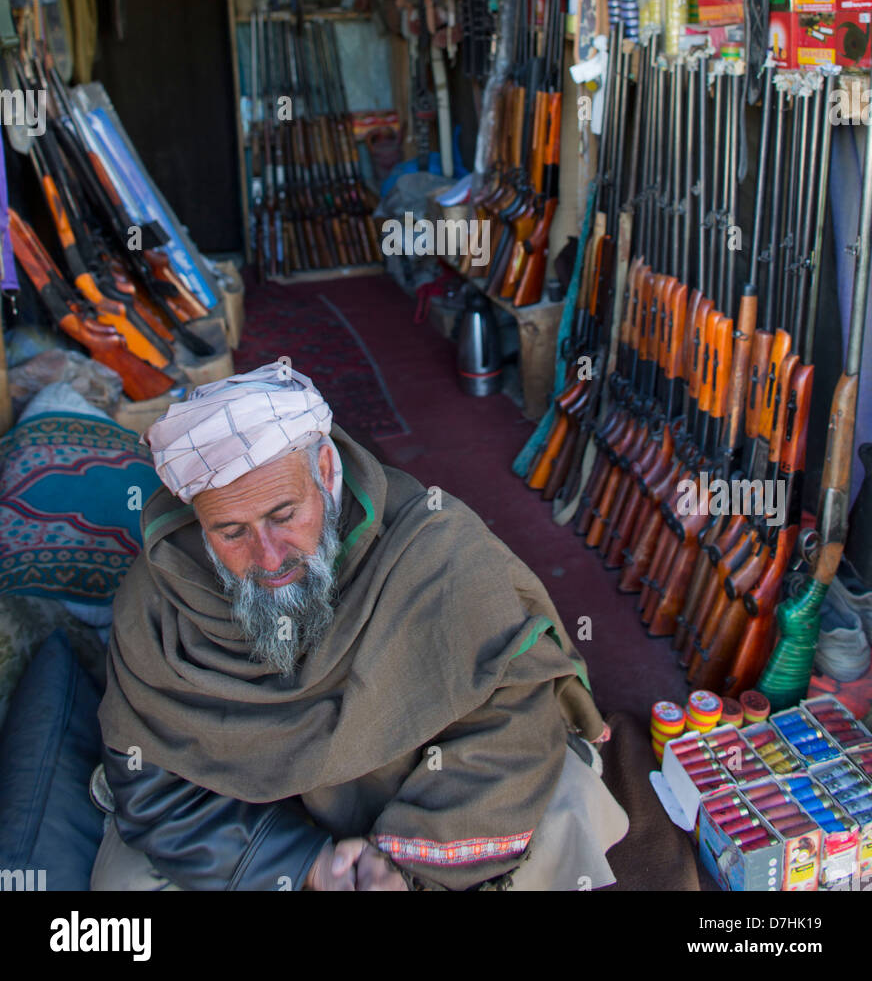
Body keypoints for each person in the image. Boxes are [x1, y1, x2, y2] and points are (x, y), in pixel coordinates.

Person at [91, 360, 628, 892]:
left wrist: (402, 860)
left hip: (422, 793)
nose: (269, 556)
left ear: (326, 471)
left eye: (284, 515)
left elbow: (513, 715)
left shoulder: (434, 547)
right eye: (231, 532)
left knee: (562, 807)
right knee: (123, 886)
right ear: (197, 521)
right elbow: (152, 786)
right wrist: (305, 866)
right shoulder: (157, 602)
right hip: (263, 827)